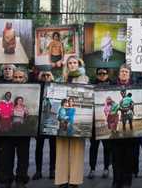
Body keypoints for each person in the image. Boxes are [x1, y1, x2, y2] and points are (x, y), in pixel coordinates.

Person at [55, 56, 88, 188]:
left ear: (79, 64)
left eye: (75, 62)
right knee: (61, 147)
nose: (73, 65)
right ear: (67, 65)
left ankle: (75, 180)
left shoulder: (85, 79)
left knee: (77, 149)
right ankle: (61, 179)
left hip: (78, 116)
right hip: (63, 114)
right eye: (70, 63)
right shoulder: (61, 79)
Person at [0, 68, 31, 188]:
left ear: (25, 79)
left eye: (20, 77)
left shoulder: (30, 92)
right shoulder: (7, 95)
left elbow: (28, 115)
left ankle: (21, 179)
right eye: (15, 77)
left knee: (23, 156)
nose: (17, 79)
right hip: (8, 130)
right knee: (6, 155)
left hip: (22, 131)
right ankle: (6, 179)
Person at [111, 65, 137, 188]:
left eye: (126, 72)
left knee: (129, 156)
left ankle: (127, 181)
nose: (124, 73)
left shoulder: (135, 87)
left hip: (130, 129)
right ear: (119, 73)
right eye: (122, 71)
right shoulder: (111, 86)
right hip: (119, 122)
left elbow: (133, 104)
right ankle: (116, 180)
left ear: (130, 74)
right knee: (116, 156)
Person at [88, 68, 112, 179]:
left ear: (107, 74)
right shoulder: (91, 85)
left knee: (107, 147)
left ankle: (106, 168)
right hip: (94, 120)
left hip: (106, 121)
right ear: (97, 75)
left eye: (104, 73)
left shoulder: (112, 85)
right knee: (93, 147)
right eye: (100, 73)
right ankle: (92, 169)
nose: (102, 75)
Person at [33, 71, 56, 181]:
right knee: (39, 147)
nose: (46, 77)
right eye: (44, 75)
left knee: (53, 146)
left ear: (51, 76)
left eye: (48, 75)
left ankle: (52, 170)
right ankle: (38, 170)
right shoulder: (37, 87)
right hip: (39, 120)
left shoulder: (56, 86)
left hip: (51, 119)